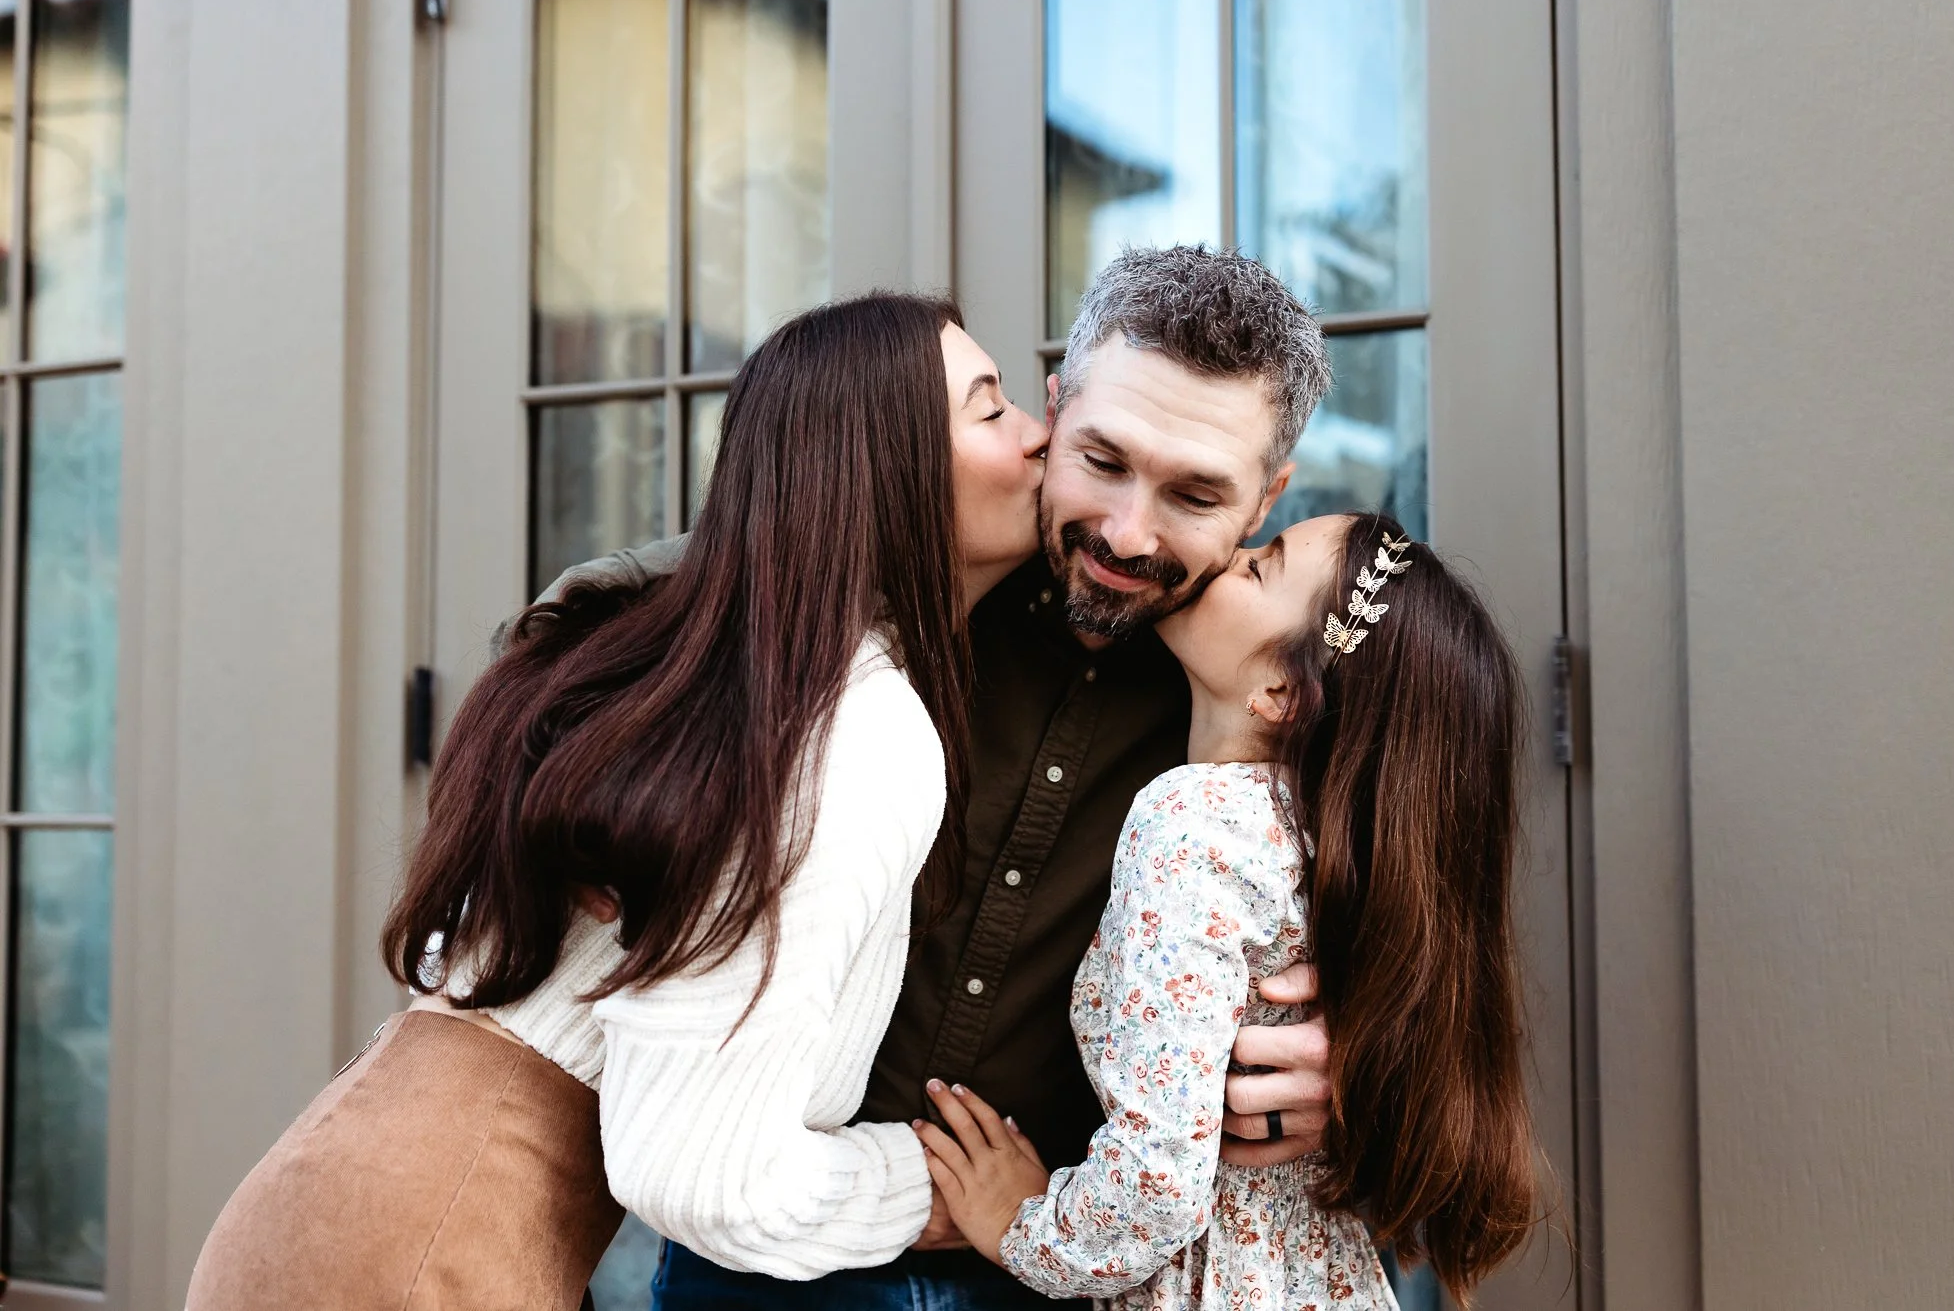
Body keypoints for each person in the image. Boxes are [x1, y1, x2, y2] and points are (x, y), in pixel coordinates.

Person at [184, 293, 1049, 1310]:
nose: (1038, 433)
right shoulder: (850, 724)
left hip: (337, 1202)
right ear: (883, 467)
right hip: (427, 1250)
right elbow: (704, 1174)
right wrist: (945, 1190)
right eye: (990, 409)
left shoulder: (722, 680)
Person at [551, 246, 1349, 1308]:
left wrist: (1354, 1065)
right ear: (1053, 410)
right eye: (1101, 459)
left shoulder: (1268, 701)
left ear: (1265, 499)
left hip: (1061, 1269)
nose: (1125, 531)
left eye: (1194, 492)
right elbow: (661, 592)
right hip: (773, 1248)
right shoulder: (913, 575)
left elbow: (1410, 943)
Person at [920, 511, 1544, 1309]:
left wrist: (1024, 1228)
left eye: (1260, 566)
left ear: (1282, 692)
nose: (1228, 560)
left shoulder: (1191, 822)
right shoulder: (1333, 843)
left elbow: (1157, 1181)